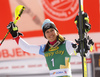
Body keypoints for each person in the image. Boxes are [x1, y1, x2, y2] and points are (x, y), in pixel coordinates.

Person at [7, 12, 92, 77]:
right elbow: (27, 48)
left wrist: (83, 39)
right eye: (47, 32)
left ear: (57, 31)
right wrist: (15, 35)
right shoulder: (44, 49)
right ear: (45, 35)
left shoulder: (66, 44)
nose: (50, 33)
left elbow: (84, 54)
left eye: (52, 30)